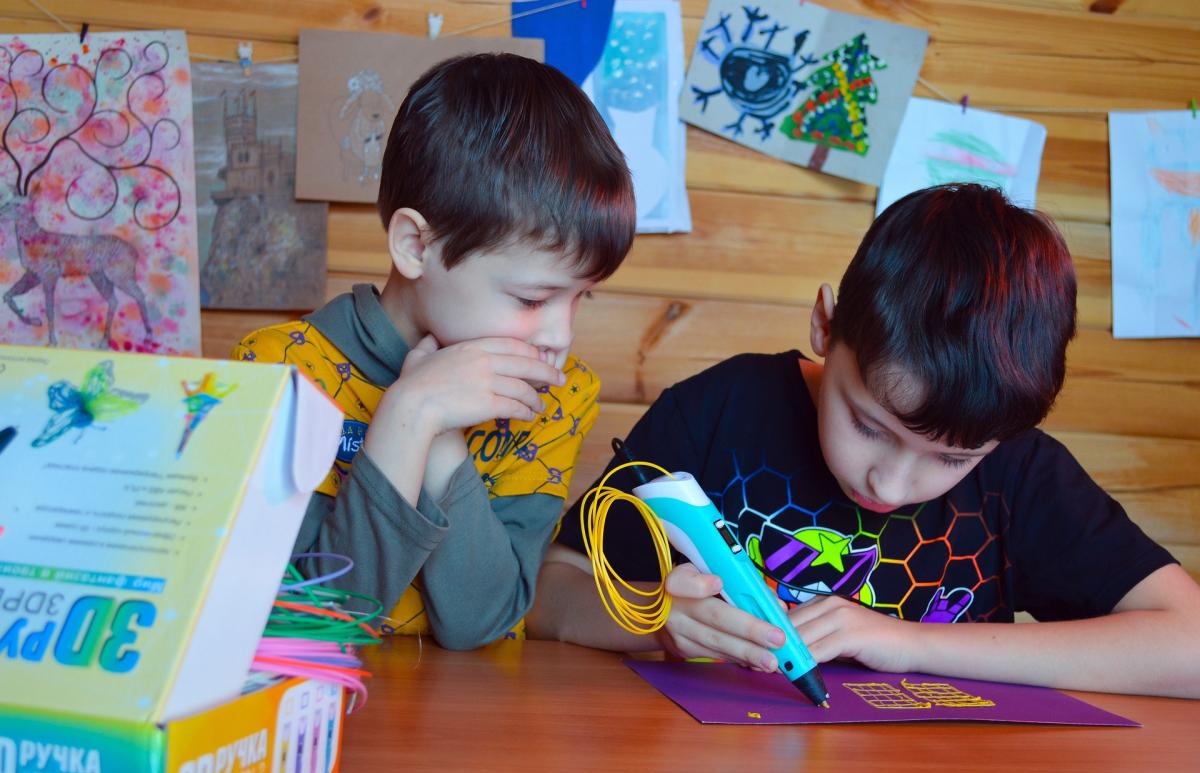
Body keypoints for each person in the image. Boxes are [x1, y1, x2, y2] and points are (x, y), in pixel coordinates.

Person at [529, 184, 1200, 698]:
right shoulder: (722, 410)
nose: (890, 483)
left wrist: (908, 644)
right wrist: (654, 622)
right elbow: (548, 596)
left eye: (952, 458)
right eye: (869, 425)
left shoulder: (1022, 473)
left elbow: (1189, 647)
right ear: (826, 326)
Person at [233, 53, 635, 649]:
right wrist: (408, 415)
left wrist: (443, 444)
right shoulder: (278, 374)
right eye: (531, 298)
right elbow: (312, 624)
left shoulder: (558, 395)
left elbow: (485, 621)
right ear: (416, 246)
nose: (560, 335)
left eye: (582, 298)